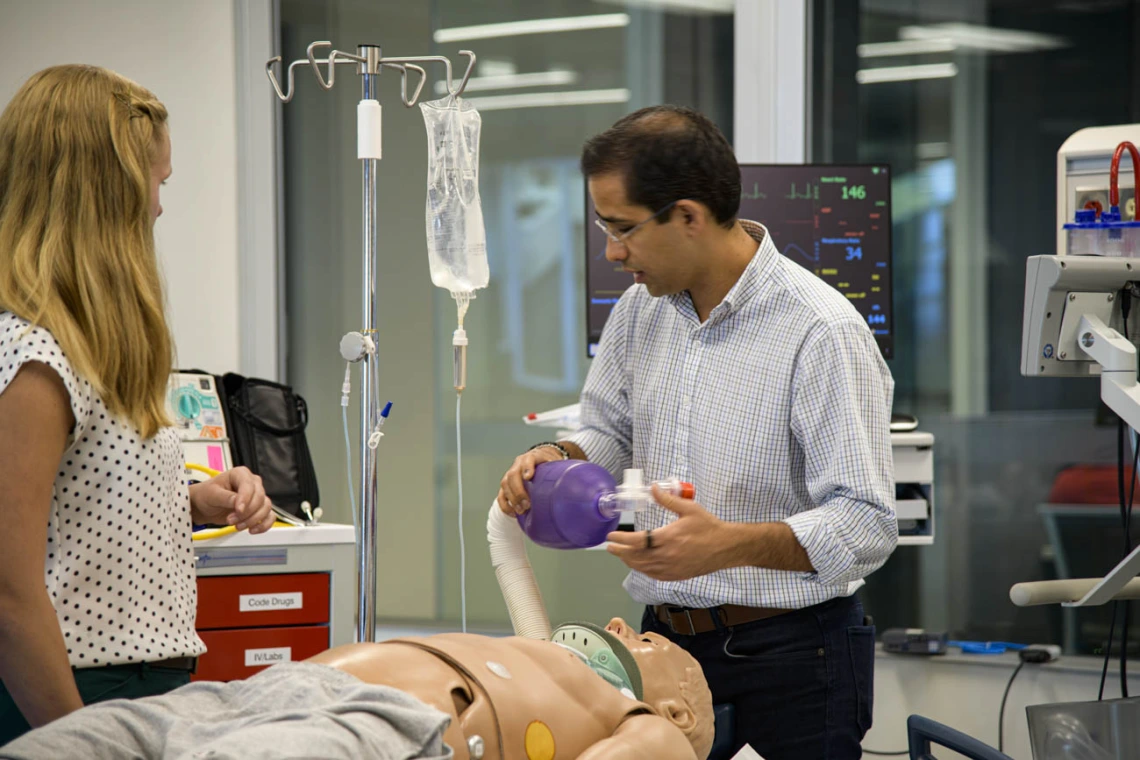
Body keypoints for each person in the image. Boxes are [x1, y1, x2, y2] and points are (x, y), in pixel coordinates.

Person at [497, 105, 896, 760]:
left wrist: (726, 546)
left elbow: (867, 523)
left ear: (688, 215)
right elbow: (608, 428)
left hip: (794, 658)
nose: (612, 251)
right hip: (663, 649)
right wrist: (557, 455)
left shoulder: (820, 331)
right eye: (603, 227)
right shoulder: (639, 311)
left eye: (623, 228)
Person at [0, 64, 275, 745]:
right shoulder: (34, 357)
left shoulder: (93, 344)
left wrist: (197, 498)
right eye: (155, 181)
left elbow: (76, 499)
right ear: (104, 190)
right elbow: (7, 590)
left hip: (147, 683)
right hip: (70, 692)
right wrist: (77, 741)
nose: (158, 205)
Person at [0, 617, 715, 760]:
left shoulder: (645, 724)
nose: (622, 623)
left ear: (677, 707)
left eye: (648, 641)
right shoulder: (535, 651)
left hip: (398, 728)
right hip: (272, 688)